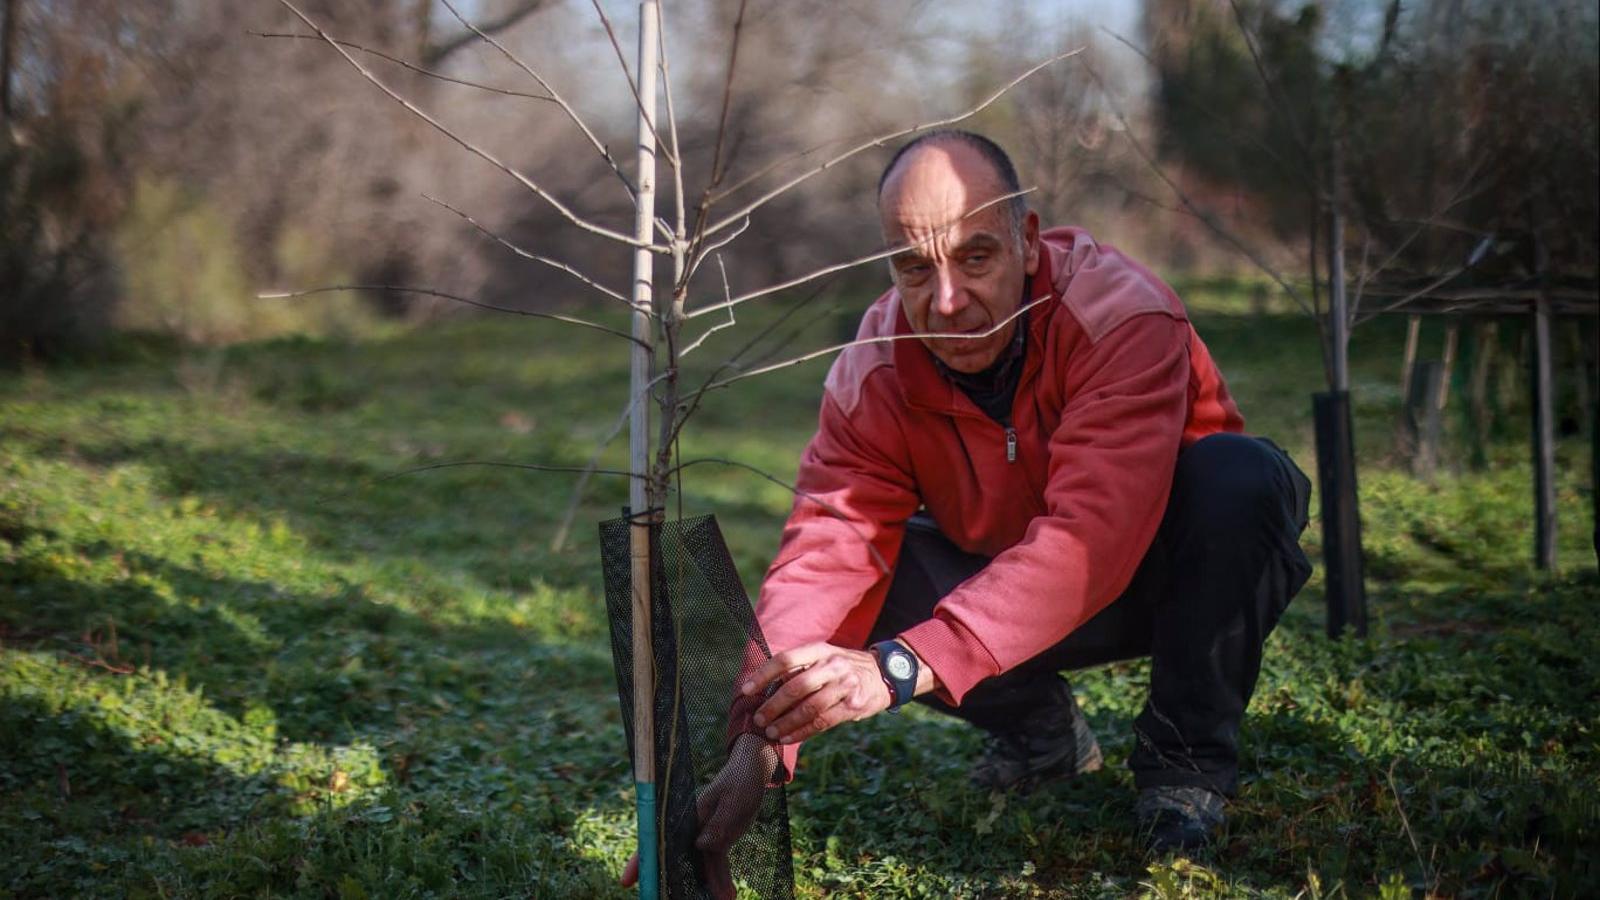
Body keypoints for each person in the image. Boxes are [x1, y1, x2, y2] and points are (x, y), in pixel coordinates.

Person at [624, 129, 1311, 891]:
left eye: (975, 257)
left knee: (1241, 479)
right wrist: (756, 742)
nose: (946, 301)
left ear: (1026, 240)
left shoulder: (1124, 317)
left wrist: (892, 668)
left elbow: (1093, 539)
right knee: (870, 573)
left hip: (1166, 576)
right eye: (913, 267)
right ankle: (1042, 735)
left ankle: (1187, 767)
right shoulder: (875, 362)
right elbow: (830, 545)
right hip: (1000, 591)